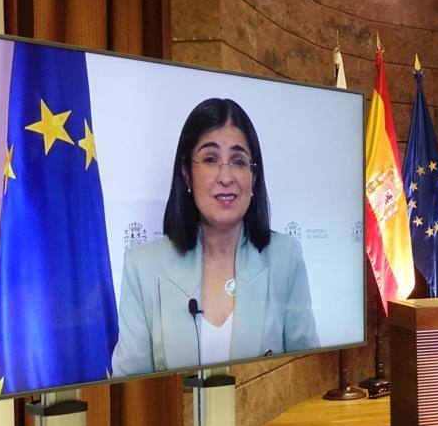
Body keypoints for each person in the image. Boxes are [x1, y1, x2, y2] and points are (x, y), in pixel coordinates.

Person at [112, 98, 319, 376]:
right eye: (210, 159)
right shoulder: (142, 267)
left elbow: (307, 374)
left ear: (253, 176)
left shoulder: (285, 258)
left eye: (238, 161)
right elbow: (132, 386)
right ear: (187, 172)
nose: (226, 176)